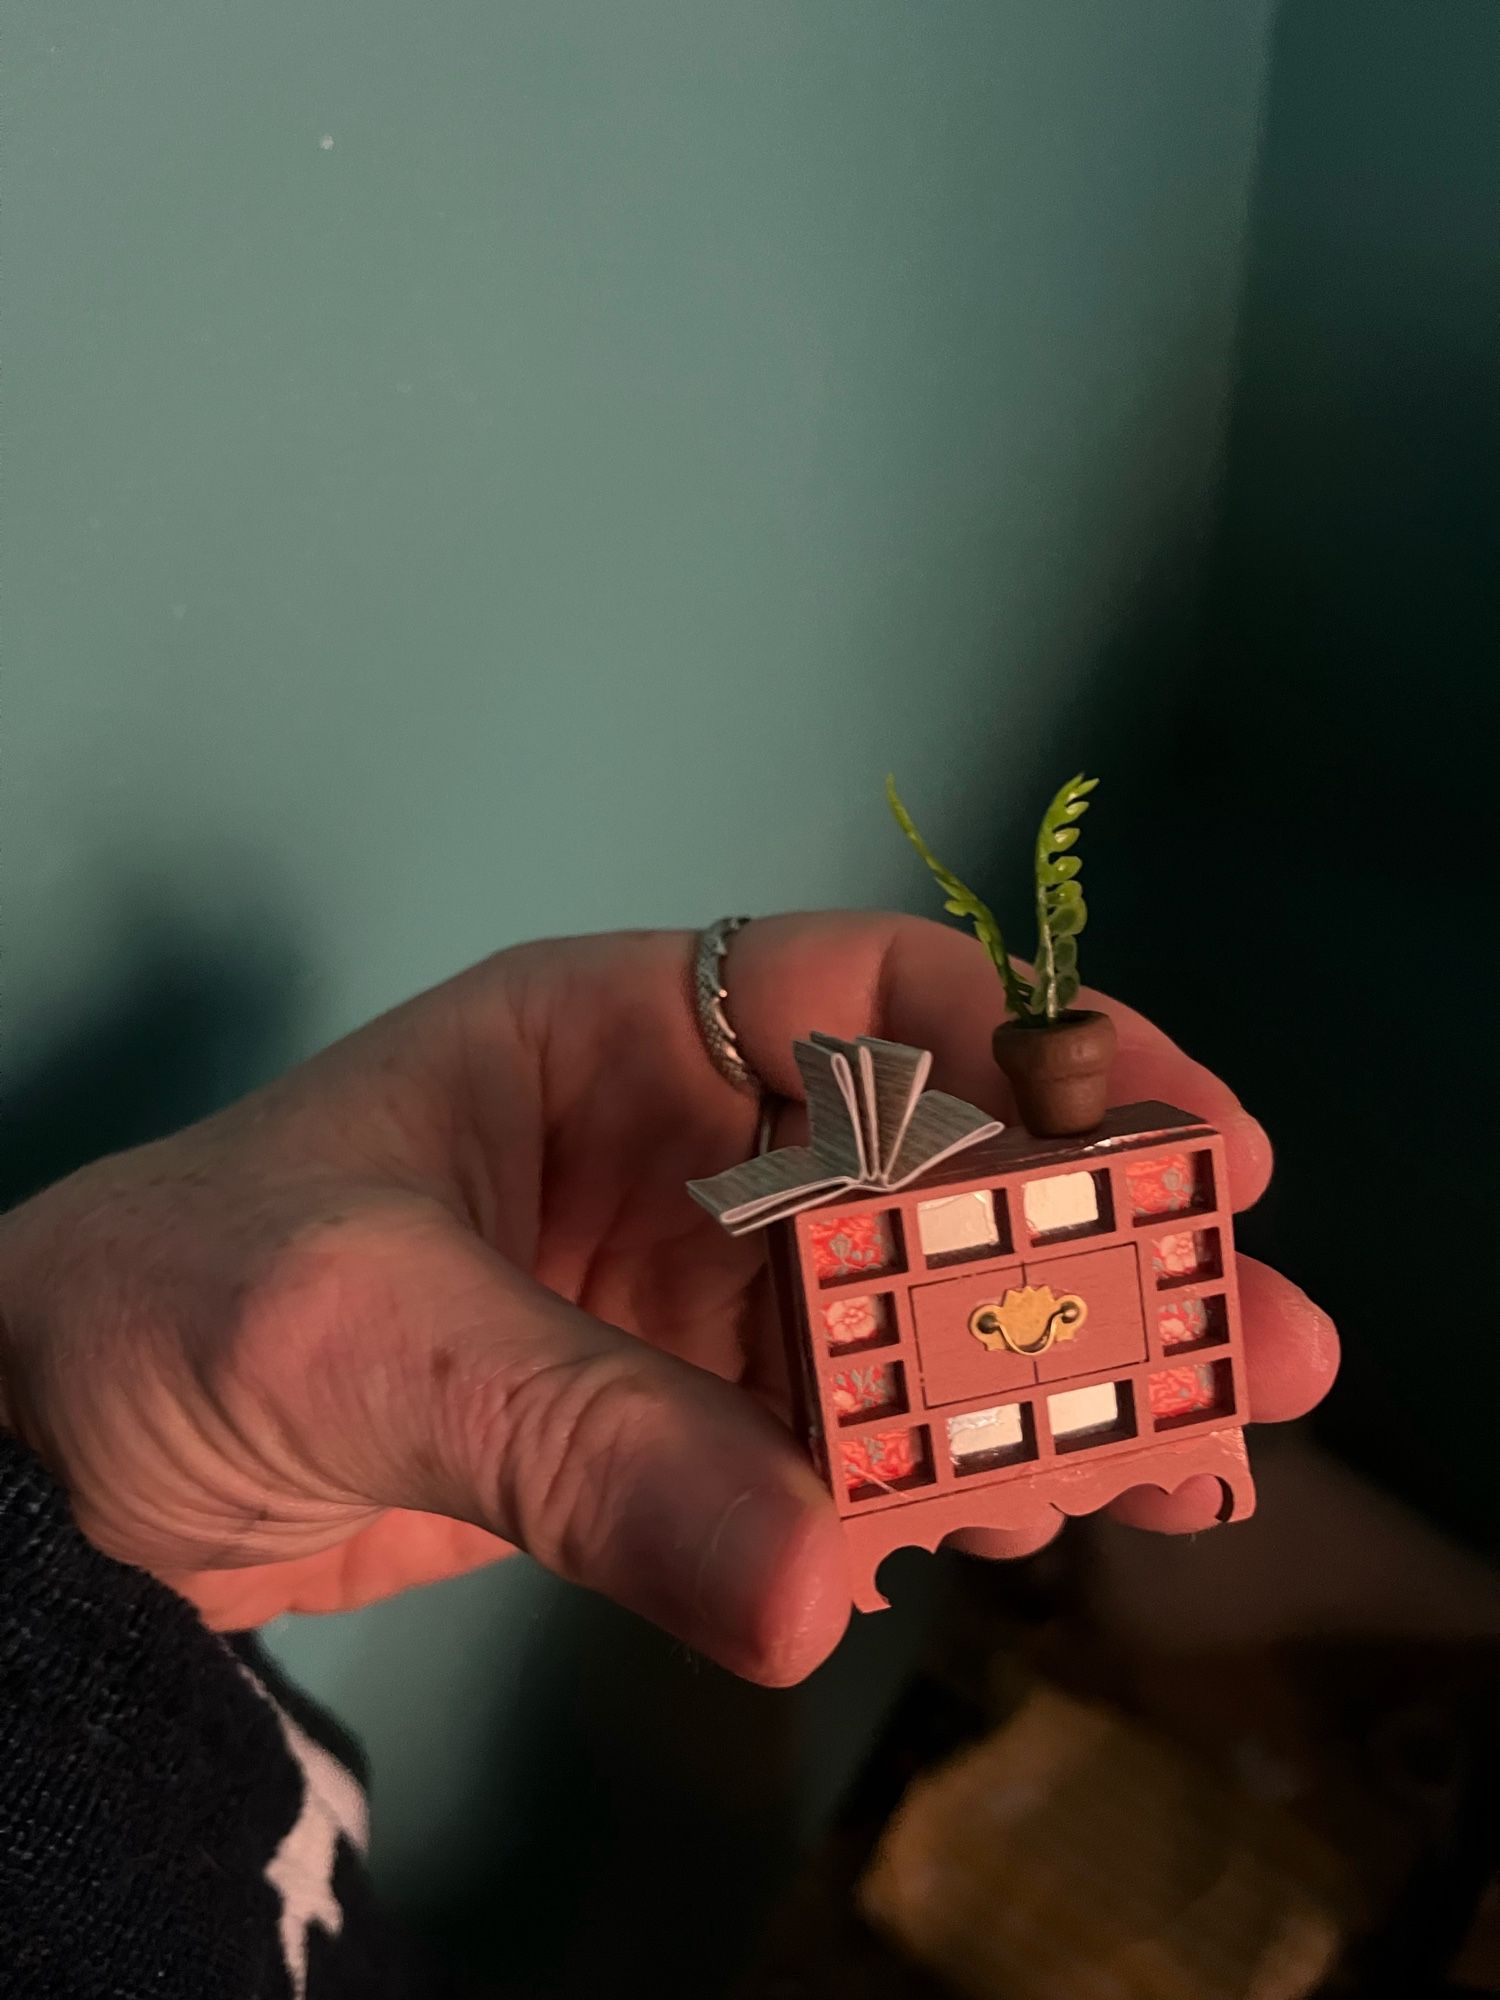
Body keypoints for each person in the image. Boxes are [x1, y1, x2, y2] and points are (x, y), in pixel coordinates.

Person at [0, 913, 1339, 1997]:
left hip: (192, 1714)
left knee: (677, 1857)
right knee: (695, 1848)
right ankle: (684, 1823)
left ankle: (675, 1824)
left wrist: (50, 1460)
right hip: (181, 1735)